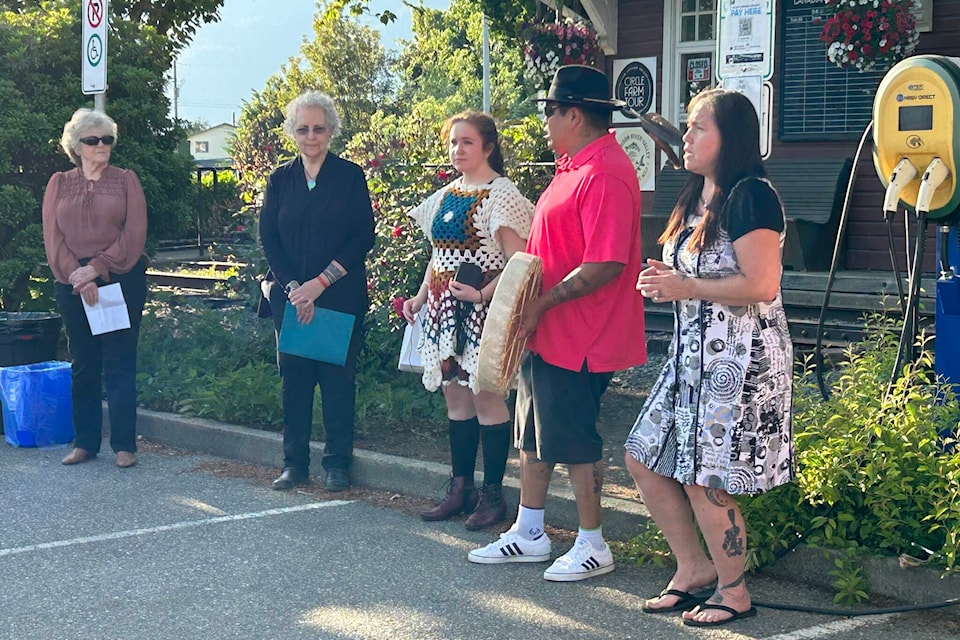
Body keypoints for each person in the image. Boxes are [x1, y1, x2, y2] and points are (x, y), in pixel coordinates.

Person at [467, 65, 646, 580]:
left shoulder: (605, 170)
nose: (543, 120)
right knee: (533, 434)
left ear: (574, 113)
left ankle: (593, 543)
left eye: (549, 111)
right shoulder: (573, 165)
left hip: (584, 331)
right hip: (546, 329)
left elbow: (606, 263)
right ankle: (529, 531)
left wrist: (541, 304)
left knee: (575, 438)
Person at [625, 88, 794, 627]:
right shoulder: (696, 193)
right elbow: (692, 275)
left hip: (740, 362)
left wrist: (686, 286)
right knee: (644, 456)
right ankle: (693, 568)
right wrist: (664, 282)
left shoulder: (752, 196)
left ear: (732, 137)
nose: (688, 137)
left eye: (700, 127)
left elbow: (763, 284)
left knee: (705, 477)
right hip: (691, 357)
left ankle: (734, 592)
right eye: (688, 125)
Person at [402, 111, 534, 530]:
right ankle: (462, 489)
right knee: (455, 398)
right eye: (454, 142)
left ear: (488, 147)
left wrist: (482, 294)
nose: (457, 150)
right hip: (444, 312)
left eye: (467, 142)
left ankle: (493, 496)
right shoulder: (446, 195)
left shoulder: (502, 194)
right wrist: (420, 299)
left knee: (486, 398)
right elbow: (438, 256)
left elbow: (519, 262)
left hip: (480, 314)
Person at [258, 90, 375, 492]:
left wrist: (319, 284)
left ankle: (337, 465)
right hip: (291, 299)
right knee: (295, 382)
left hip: (338, 296)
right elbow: (269, 239)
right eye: (303, 128)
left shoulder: (350, 177)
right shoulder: (280, 179)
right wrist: (295, 289)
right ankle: (294, 464)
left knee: (337, 383)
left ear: (331, 132)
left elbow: (362, 237)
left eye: (319, 128)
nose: (311, 136)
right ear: (292, 132)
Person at [42, 108, 148, 469]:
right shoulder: (58, 182)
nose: (101, 145)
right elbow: (53, 238)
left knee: (119, 362)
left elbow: (133, 235)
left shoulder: (125, 180)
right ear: (76, 146)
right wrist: (77, 274)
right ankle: (85, 442)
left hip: (119, 277)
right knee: (84, 364)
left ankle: (124, 445)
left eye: (107, 139)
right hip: (71, 284)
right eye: (92, 140)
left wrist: (97, 270)